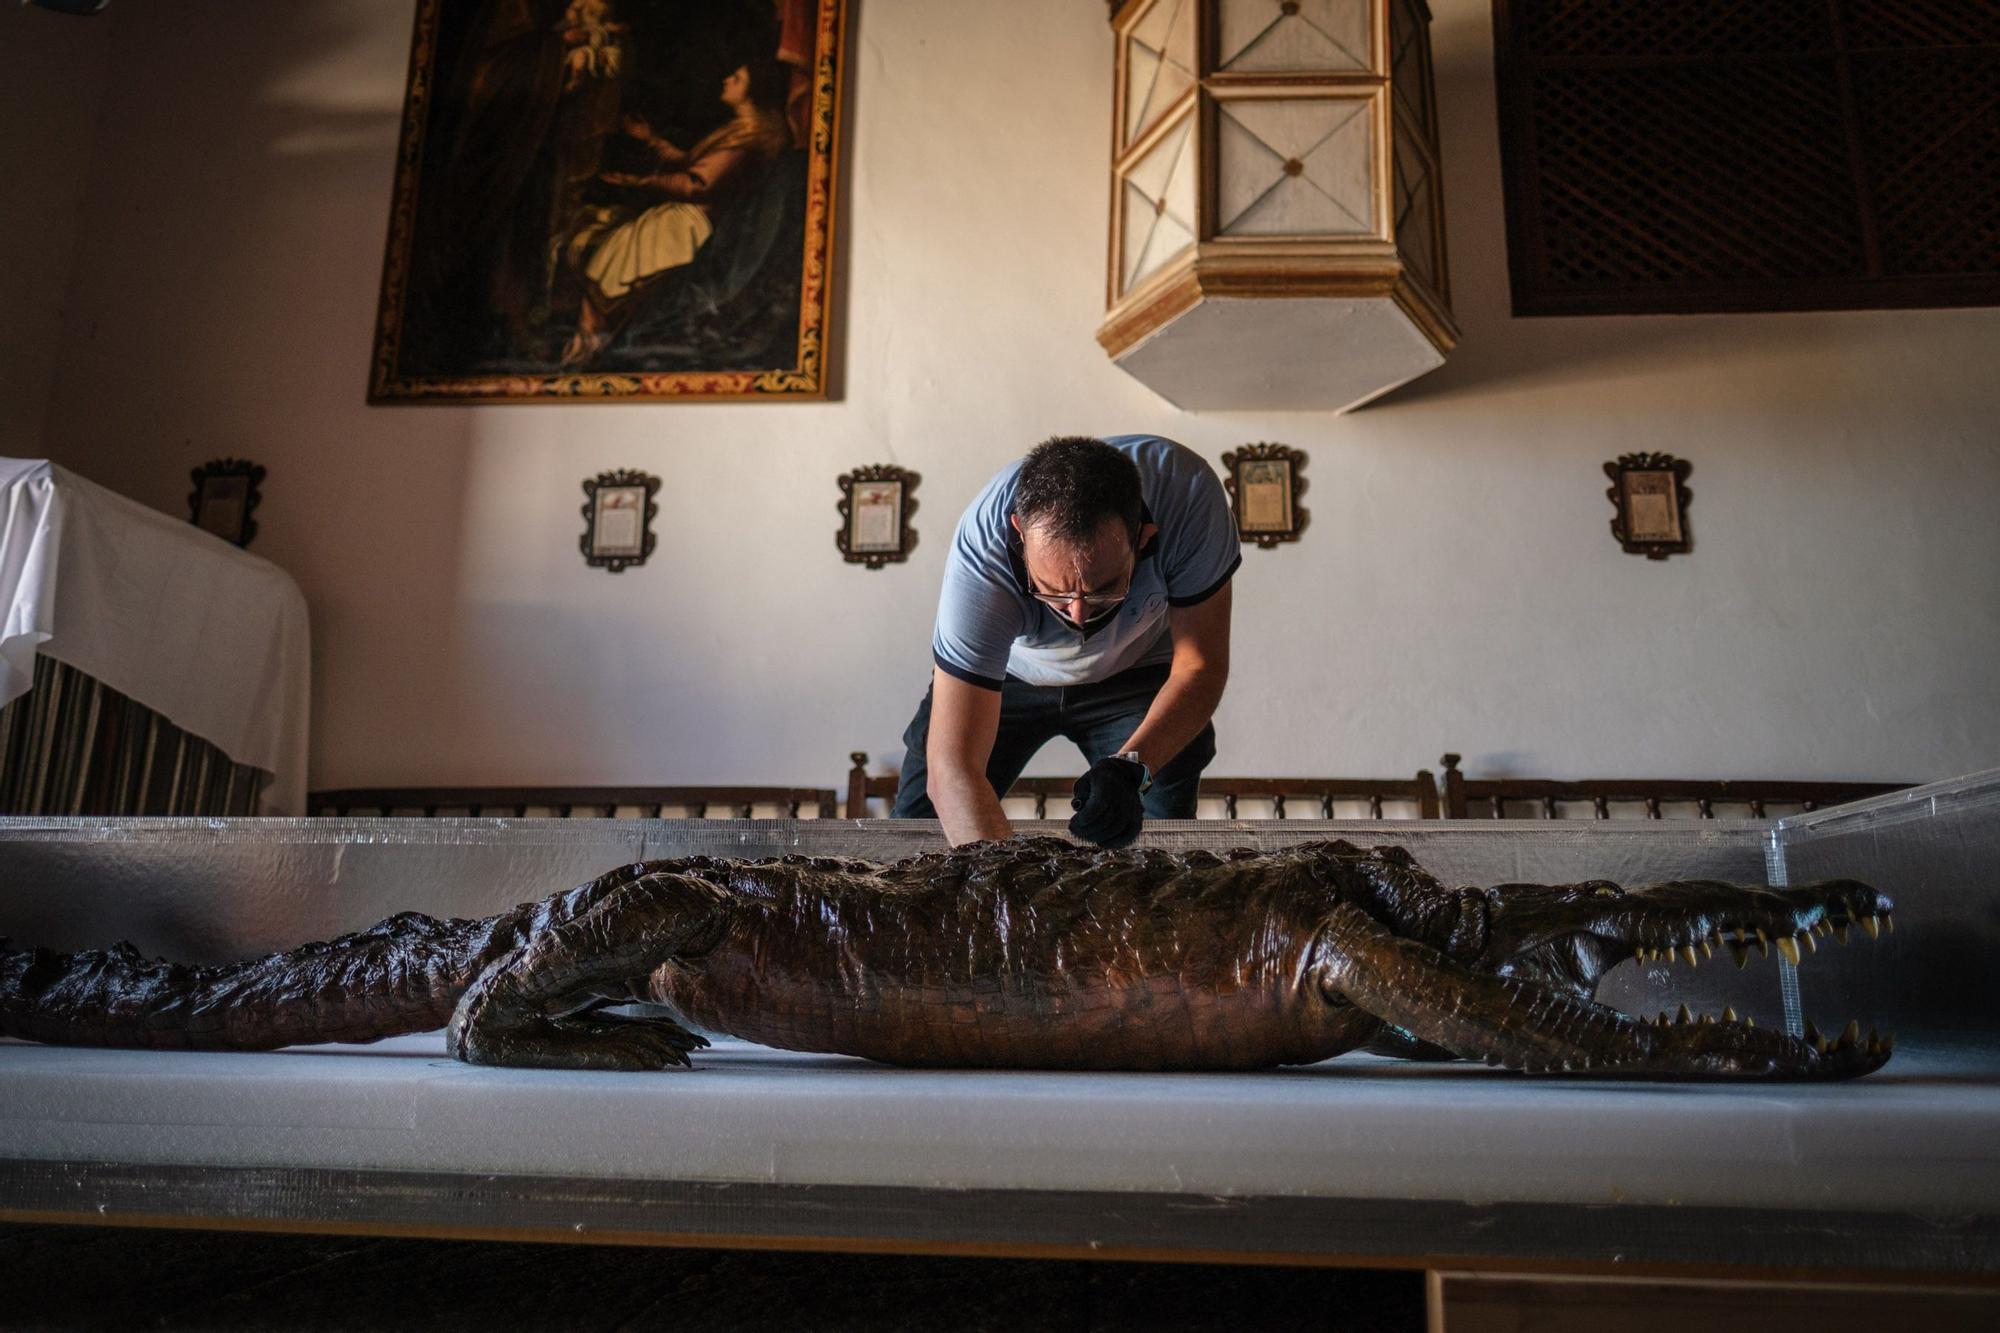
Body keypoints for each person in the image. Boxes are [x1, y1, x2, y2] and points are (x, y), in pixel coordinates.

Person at [893, 435, 1239, 848]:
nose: (1076, 614)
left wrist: (1132, 768)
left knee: (1156, 834)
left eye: (1105, 588)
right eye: (1052, 590)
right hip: (1006, 676)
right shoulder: (982, 554)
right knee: (919, 833)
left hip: (1136, 668)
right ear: (1019, 534)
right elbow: (953, 769)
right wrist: (1009, 896)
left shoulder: (1189, 497)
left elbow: (1199, 666)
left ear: (1144, 538)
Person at [560, 58, 791, 366]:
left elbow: (698, 184)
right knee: (611, 251)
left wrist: (641, 181)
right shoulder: (740, 130)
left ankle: (589, 343)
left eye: (736, 78)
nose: (726, 80)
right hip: (682, 216)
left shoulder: (751, 137)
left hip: (690, 223)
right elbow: (693, 162)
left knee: (612, 254)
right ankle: (589, 341)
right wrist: (652, 141)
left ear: (754, 90)